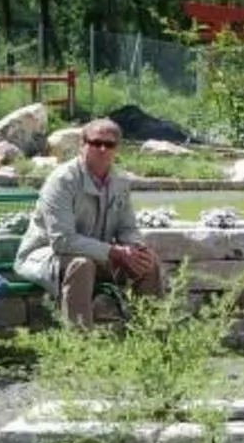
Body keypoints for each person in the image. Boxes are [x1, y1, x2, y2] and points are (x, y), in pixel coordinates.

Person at [14, 117, 164, 326]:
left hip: (97, 255)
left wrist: (135, 248)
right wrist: (115, 252)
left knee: (148, 263)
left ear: (116, 149)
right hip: (47, 256)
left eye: (109, 144)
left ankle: (152, 336)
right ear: (82, 145)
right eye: (95, 143)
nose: (102, 149)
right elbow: (62, 241)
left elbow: (127, 228)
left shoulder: (120, 182)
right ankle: (81, 346)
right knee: (81, 265)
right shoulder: (62, 180)